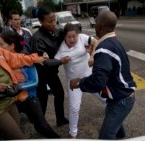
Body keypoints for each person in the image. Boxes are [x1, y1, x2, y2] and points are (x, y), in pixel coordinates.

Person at [70, 11, 136, 139]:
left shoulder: (104, 48)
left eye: (95, 24)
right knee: (116, 131)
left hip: (120, 100)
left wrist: (78, 82)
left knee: (105, 137)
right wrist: (92, 56)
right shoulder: (114, 42)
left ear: (99, 26)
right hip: (122, 97)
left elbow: (98, 81)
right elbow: (109, 69)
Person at [0, 29, 60, 138]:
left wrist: (18, 87)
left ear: (11, 46)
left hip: (30, 99)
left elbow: (34, 81)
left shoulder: (25, 59)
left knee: (41, 126)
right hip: (13, 101)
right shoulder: (1, 61)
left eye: (1, 44)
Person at [54, 23, 98, 138]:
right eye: (69, 37)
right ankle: (73, 132)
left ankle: (112, 111)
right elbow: (53, 63)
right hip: (74, 82)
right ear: (64, 37)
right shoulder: (61, 48)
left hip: (89, 77)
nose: (72, 39)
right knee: (74, 107)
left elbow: (96, 42)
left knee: (104, 97)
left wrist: (92, 55)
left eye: (74, 36)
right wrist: (61, 61)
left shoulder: (82, 38)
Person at [32, 7, 70, 127]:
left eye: (54, 20)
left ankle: (60, 119)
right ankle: (40, 124)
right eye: (50, 21)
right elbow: (44, 61)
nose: (53, 23)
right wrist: (60, 61)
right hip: (40, 73)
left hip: (51, 72)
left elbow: (70, 34)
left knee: (59, 93)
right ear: (41, 22)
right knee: (42, 99)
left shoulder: (57, 31)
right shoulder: (37, 38)